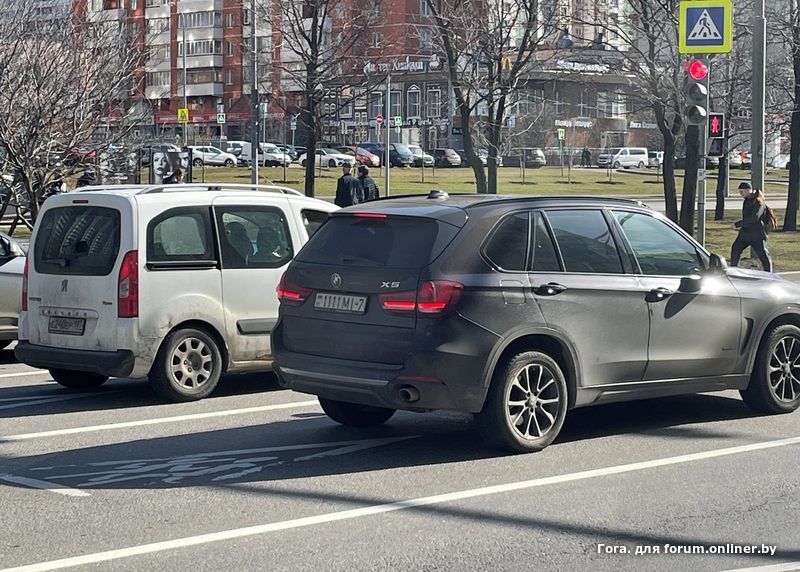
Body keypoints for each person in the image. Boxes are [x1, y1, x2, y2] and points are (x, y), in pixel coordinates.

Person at [730, 182, 773, 272]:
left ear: (748, 190)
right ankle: (733, 270)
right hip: (745, 233)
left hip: (757, 234)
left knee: (763, 254)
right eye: (740, 192)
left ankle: (769, 273)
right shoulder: (747, 200)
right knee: (736, 248)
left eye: (742, 192)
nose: (741, 194)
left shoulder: (758, 202)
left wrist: (737, 224)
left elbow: (754, 218)